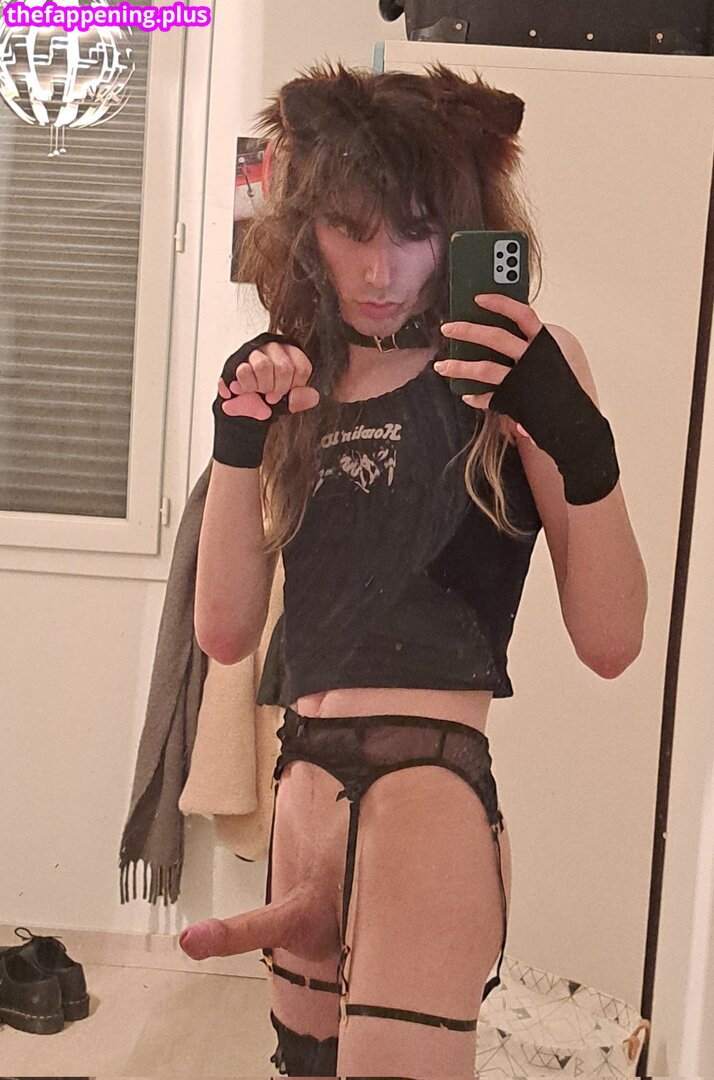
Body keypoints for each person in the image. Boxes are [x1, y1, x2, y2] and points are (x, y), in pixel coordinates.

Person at [180, 60, 648, 1079]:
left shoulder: (522, 369)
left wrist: (578, 438)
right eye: (350, 229)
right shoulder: (301, 376)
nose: (381, 269)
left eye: (415, 231)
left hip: (426, 800)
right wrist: (238, 439)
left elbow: (613, 641)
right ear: (307, 226)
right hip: (303, 791)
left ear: (466, 228)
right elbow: (224, 632)